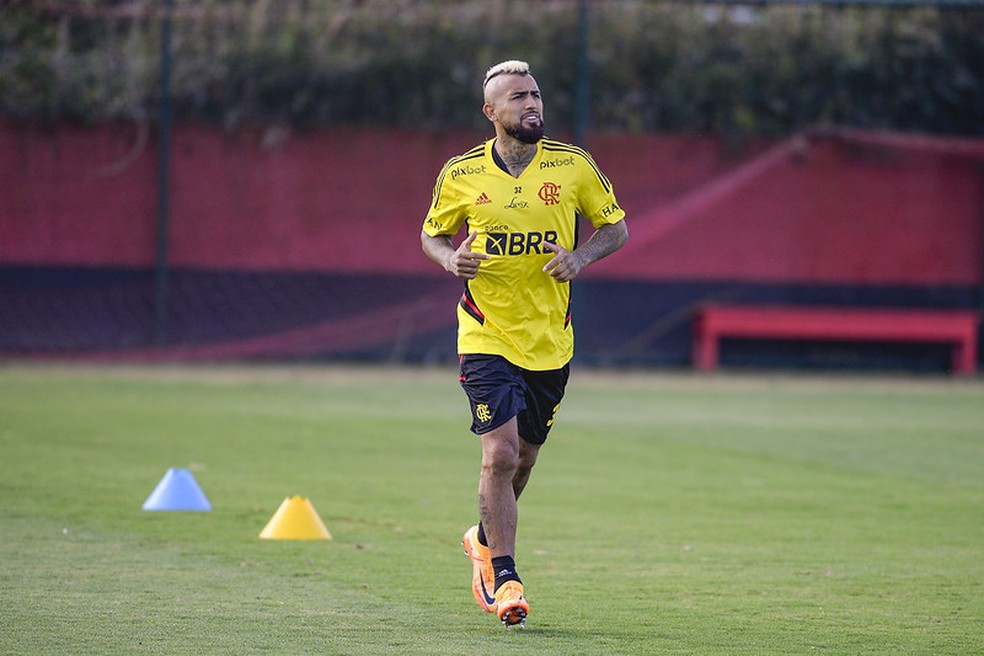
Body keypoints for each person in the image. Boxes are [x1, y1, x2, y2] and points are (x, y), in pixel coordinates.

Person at [419, 60, 628, 627]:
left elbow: (616, 228)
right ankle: (504, 577)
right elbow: (432, 233)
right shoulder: (461, 173)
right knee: (500, 452)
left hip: (550, 341)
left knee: (525, 458)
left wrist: (580, 256)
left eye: (536, 94)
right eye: (518, 97)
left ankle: (481, 538)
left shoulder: (574, 164)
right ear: (491, 113)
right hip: (485, 330)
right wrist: (449, 258)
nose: (532, 104)